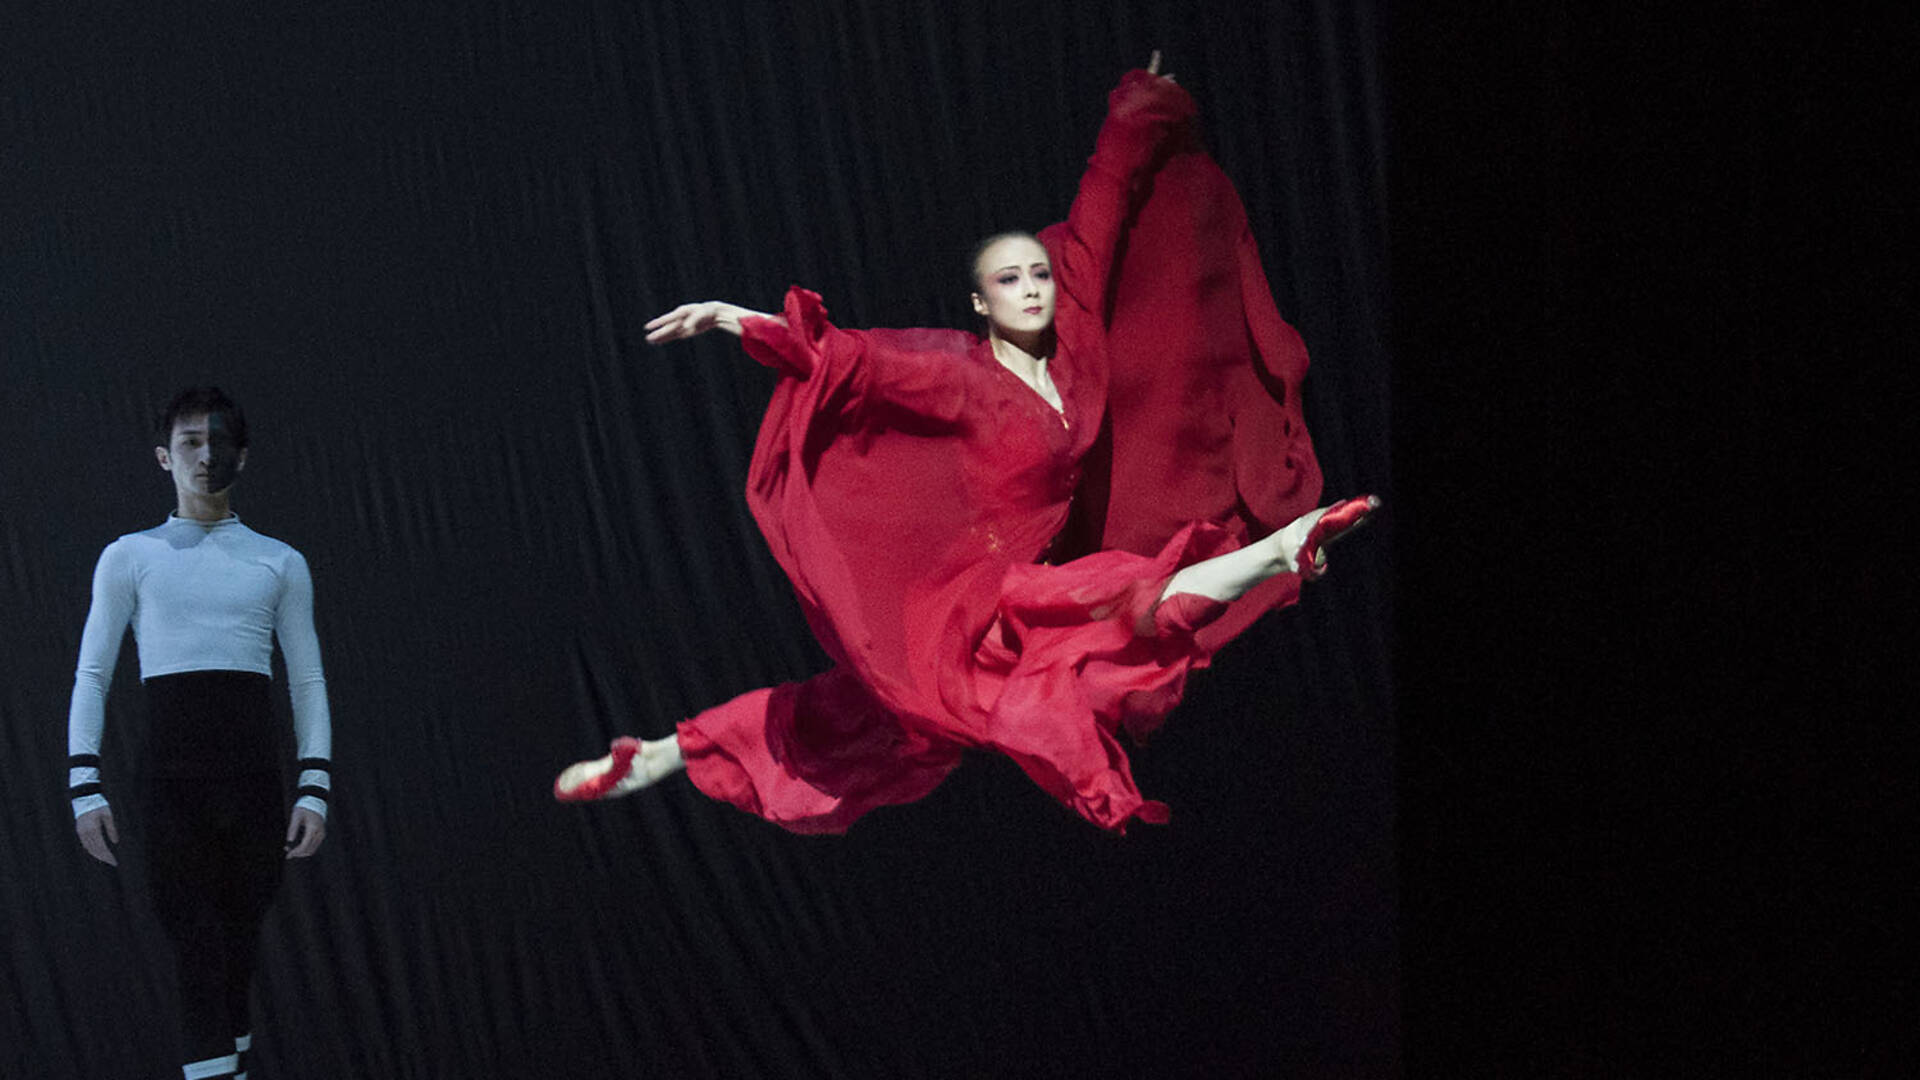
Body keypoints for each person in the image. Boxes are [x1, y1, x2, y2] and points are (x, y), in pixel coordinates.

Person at [556, 56, 1374, 833]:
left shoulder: (1079, 344)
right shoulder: (961, 377)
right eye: (1007, 280)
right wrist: (739, 319)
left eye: (1037, 274)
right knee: (1106, 604)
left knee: (889, 709)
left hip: (1022, 584)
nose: (1030, 288)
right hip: (959, 603)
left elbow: (1101, 205)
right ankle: (1285, 549)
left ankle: (663, 753)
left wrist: (1141, 108)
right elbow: (851, 358)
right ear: (980, 304)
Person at [68, 386, 332, 1080]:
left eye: (218, 443)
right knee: (195, 947)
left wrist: (314, 787)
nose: (205, 454)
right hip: (169, 786)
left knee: (237, 951)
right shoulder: (130, 556)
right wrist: (84, 786)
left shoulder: (278, 561)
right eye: (191, 441)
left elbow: (306, 680)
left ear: (241, 457)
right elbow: (92, 673)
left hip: (252, 784)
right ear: (164, 456)